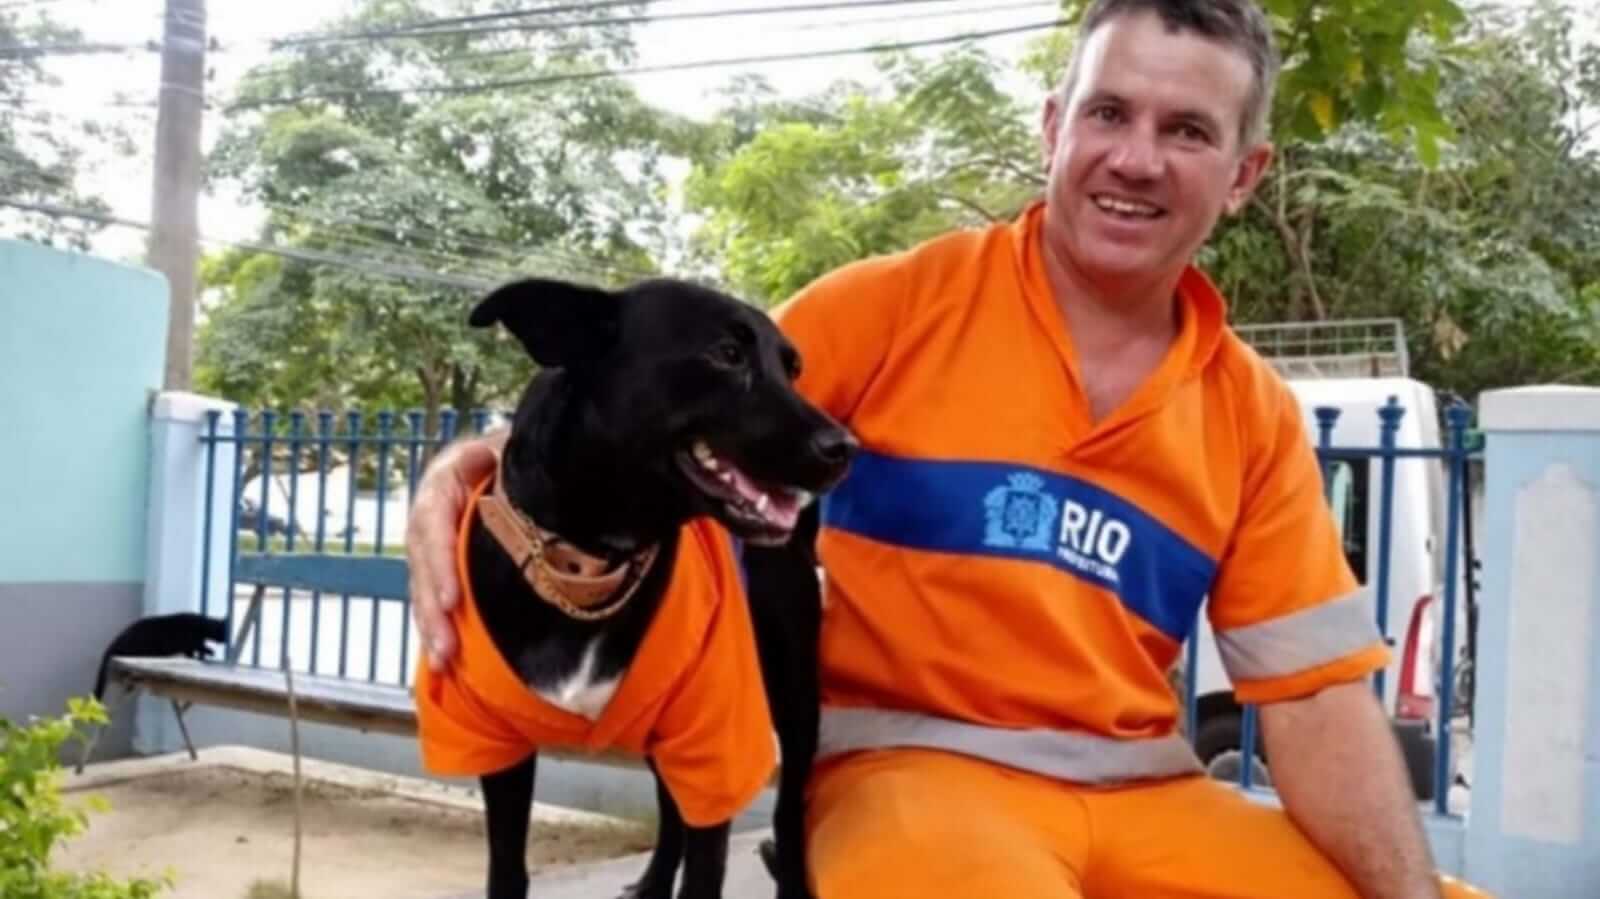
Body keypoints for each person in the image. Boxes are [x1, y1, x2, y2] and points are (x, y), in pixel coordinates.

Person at [405, 2, 1492, 897]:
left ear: (1244, 175)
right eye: (1108, 112)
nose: (1135, 158)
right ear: (1051, 127)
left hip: (1148, 793)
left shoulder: (1248, 410)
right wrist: (474, 466)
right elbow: (652, 407)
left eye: (1186, 130)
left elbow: (1309, 698)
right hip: (910, 776)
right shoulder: (893, 307)